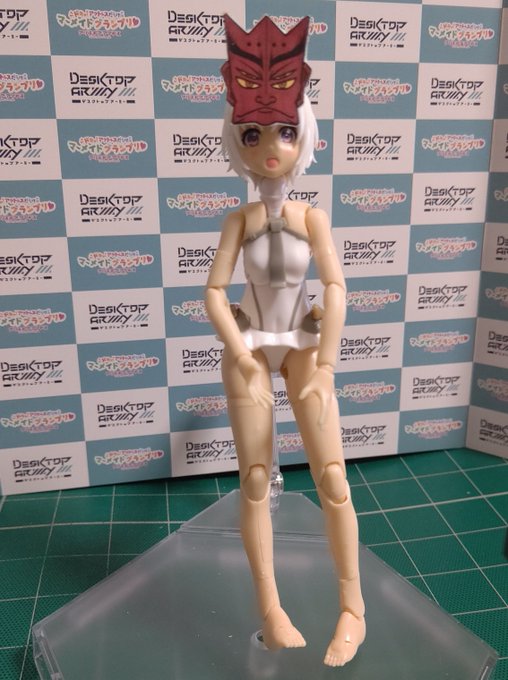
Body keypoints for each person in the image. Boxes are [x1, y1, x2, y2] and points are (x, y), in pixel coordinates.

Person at [205, 14, 365, 667]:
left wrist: (326, 362)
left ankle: (353, 609)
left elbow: (337, 287)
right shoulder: (238, 221)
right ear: (236, 141)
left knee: (333, 476)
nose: (270, 146)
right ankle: (271, 610)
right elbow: (214, 292)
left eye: (285, 131)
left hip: (301, 345)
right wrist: (242, 353)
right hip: (251, 344)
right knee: (254, 480)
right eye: (254, 133)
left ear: (305, 135)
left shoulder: (312, 218)